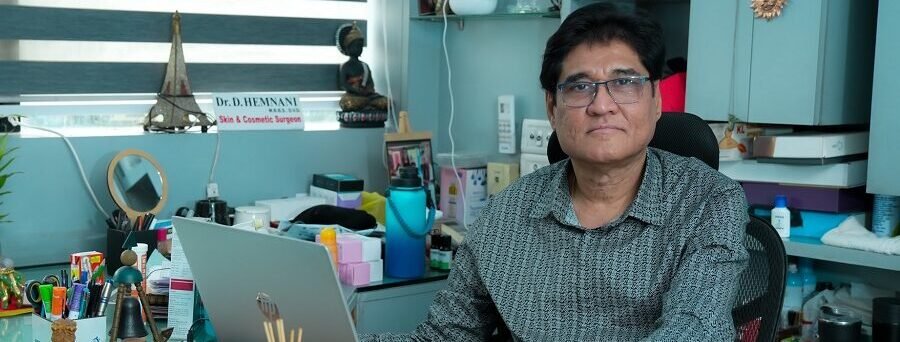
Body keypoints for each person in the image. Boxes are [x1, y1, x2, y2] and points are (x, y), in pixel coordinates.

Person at [363, 4, 749, 341]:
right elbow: (445, 336)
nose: (602, 105)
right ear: (553, 107)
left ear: (656, 98)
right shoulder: (506, 214)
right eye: (580, 87)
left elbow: (695, 330)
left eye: (624, 83)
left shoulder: (709, 202)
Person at [337, 22, 389, 112]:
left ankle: (368, 105)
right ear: (348, 48)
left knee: (385, 101)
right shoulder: (346, 66)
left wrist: (368, 91)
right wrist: (355, 91)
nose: (359, 48)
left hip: (366, 96)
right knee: (348, 102)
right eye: (356, 46)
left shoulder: (365, 66)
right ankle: (367, 106)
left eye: (361, 46)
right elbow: (343, 84)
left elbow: (370, 84)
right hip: (353, 96)